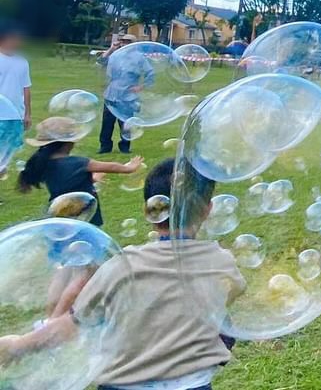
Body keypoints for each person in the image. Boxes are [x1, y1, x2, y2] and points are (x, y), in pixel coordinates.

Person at [0, 158, 246, 389]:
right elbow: (222, 304)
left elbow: (74, 324)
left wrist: (18, 346)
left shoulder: (119, 265)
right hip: (192, 385)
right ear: (208, 209)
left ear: (149, 211)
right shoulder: (223, 263)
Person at [18, 116, 143, 226]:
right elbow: (111, 167)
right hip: (84, 209)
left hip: (59, 210)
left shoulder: (43, 163)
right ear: (69, 143)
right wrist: (129, 168)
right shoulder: (78, 162)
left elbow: (65, 181)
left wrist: (93, 179)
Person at [98, 33, 142, 154]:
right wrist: (112, 48)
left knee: (126, 124)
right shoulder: (114, 55)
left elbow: (150, 74)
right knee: (107, 123)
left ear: (133, 45)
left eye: (127, 42)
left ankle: (125, 147)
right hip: (111, 95)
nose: (124, 44)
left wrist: (141, 86)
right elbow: (100, 61)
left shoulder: (139, 58)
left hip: (127, 97)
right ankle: (105, 147)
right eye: (122, 41)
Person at [0, 22, 31, 183]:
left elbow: (26, 88)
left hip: (15, 115)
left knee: (5, 156)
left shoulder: (22, 61)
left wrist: (27, 114)